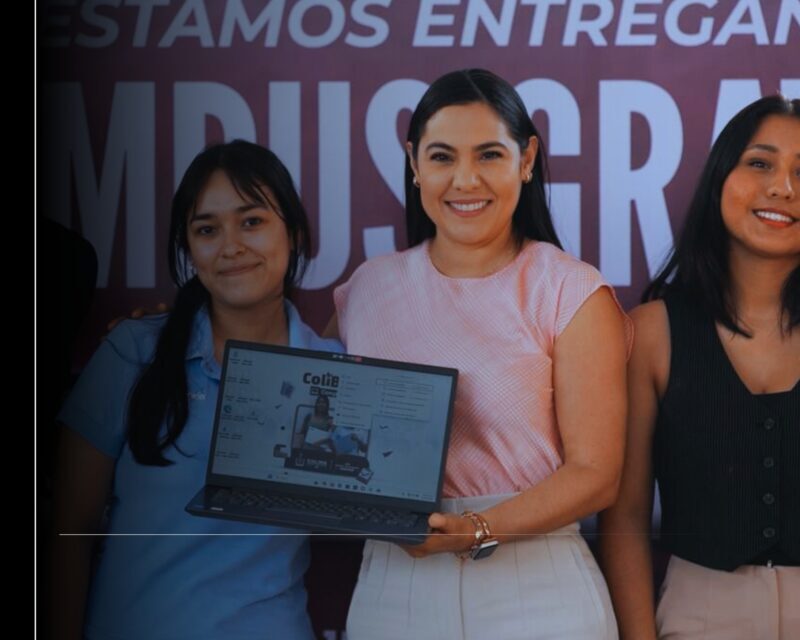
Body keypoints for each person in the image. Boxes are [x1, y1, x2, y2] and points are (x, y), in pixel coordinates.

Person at [330, 69, 631, 639]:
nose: (465, 179)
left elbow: (596, 475)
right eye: (442, 157)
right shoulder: (366, 289)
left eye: (490, 154)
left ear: (526, 160)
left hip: (536, 588)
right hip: (394, 585)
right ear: (414, 164)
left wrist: (476, 528)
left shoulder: (570, 290)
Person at [51, 140, 342, 640]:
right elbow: (67, 527)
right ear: (188, 249)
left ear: (292, 233)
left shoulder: (334, 374)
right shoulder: (134, 352)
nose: (230, 246)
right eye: (207, 229)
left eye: (252, 221)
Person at [598, 96, 800, 640]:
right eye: (760, 162)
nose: (782, 187)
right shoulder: (652, 333)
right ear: (720, 178)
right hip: (699, 612)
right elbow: (625, 518)